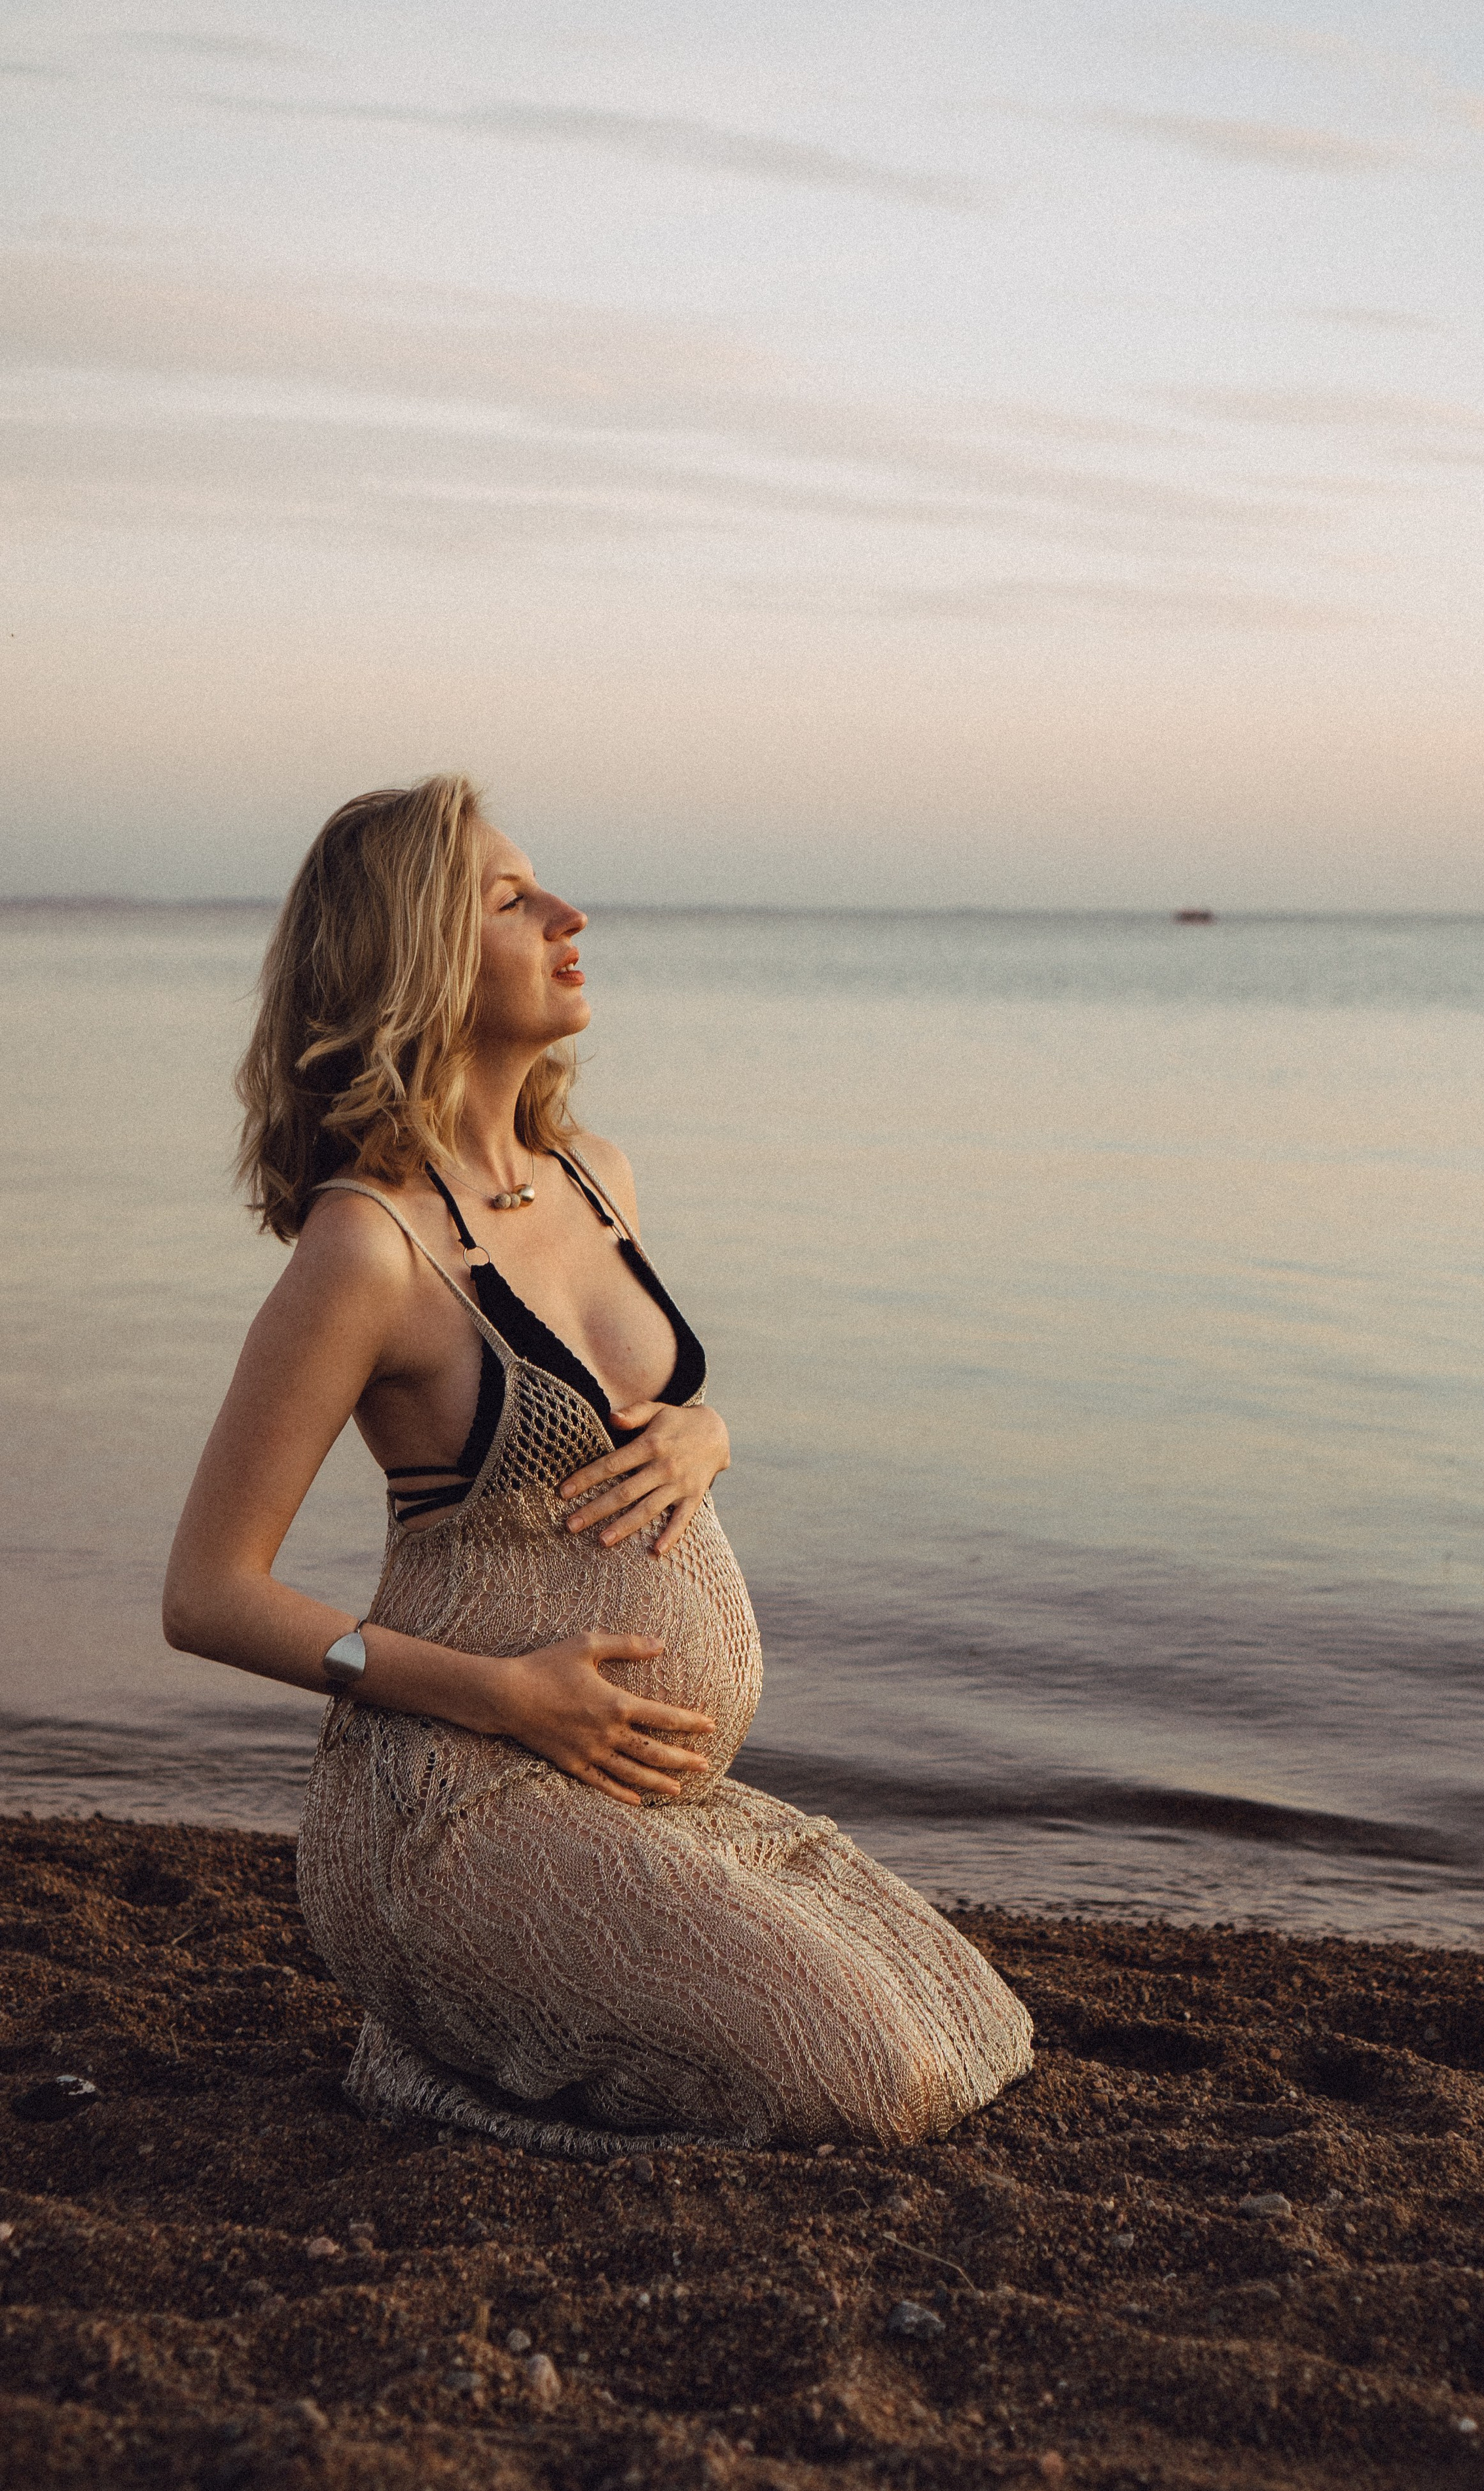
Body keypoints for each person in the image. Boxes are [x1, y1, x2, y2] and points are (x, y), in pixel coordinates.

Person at [164, 774, 1032, 2156]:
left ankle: (489, 2013)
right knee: (873, 2091)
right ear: (417, 957)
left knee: (973, 2027)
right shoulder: (368, 1248)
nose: (569, 916)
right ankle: (428, 2066)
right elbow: (209, 1593)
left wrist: (710, 1427)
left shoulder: (592, 1179)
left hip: (623, 1792)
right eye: (512, 900)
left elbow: (634, 1413)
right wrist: (502, 1696)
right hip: (453, 1801)